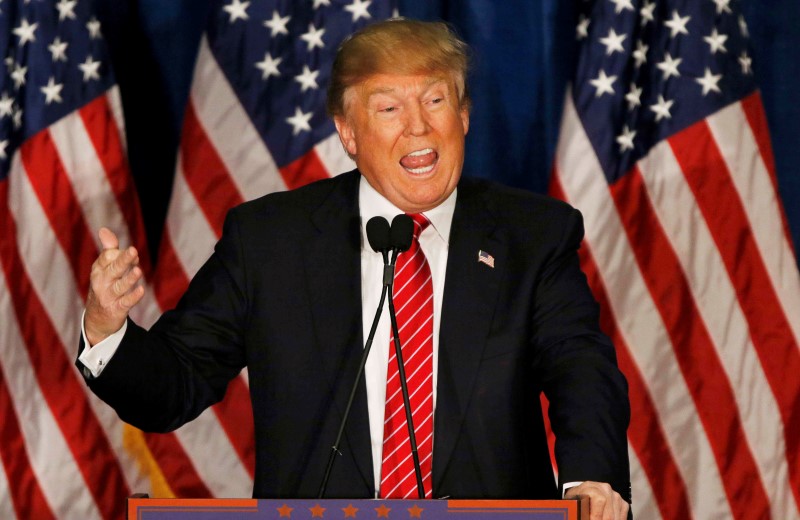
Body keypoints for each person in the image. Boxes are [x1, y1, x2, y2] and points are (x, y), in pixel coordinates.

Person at [79, 18, 631, 520]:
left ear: (464, 116)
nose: (418, 128)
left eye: (435, 101)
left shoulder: (531, 235)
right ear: (347, 133)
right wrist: (108, 330)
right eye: (388, 108)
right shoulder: (271, 242)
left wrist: (590, 479)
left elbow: (581, 369)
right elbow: (175, 383)